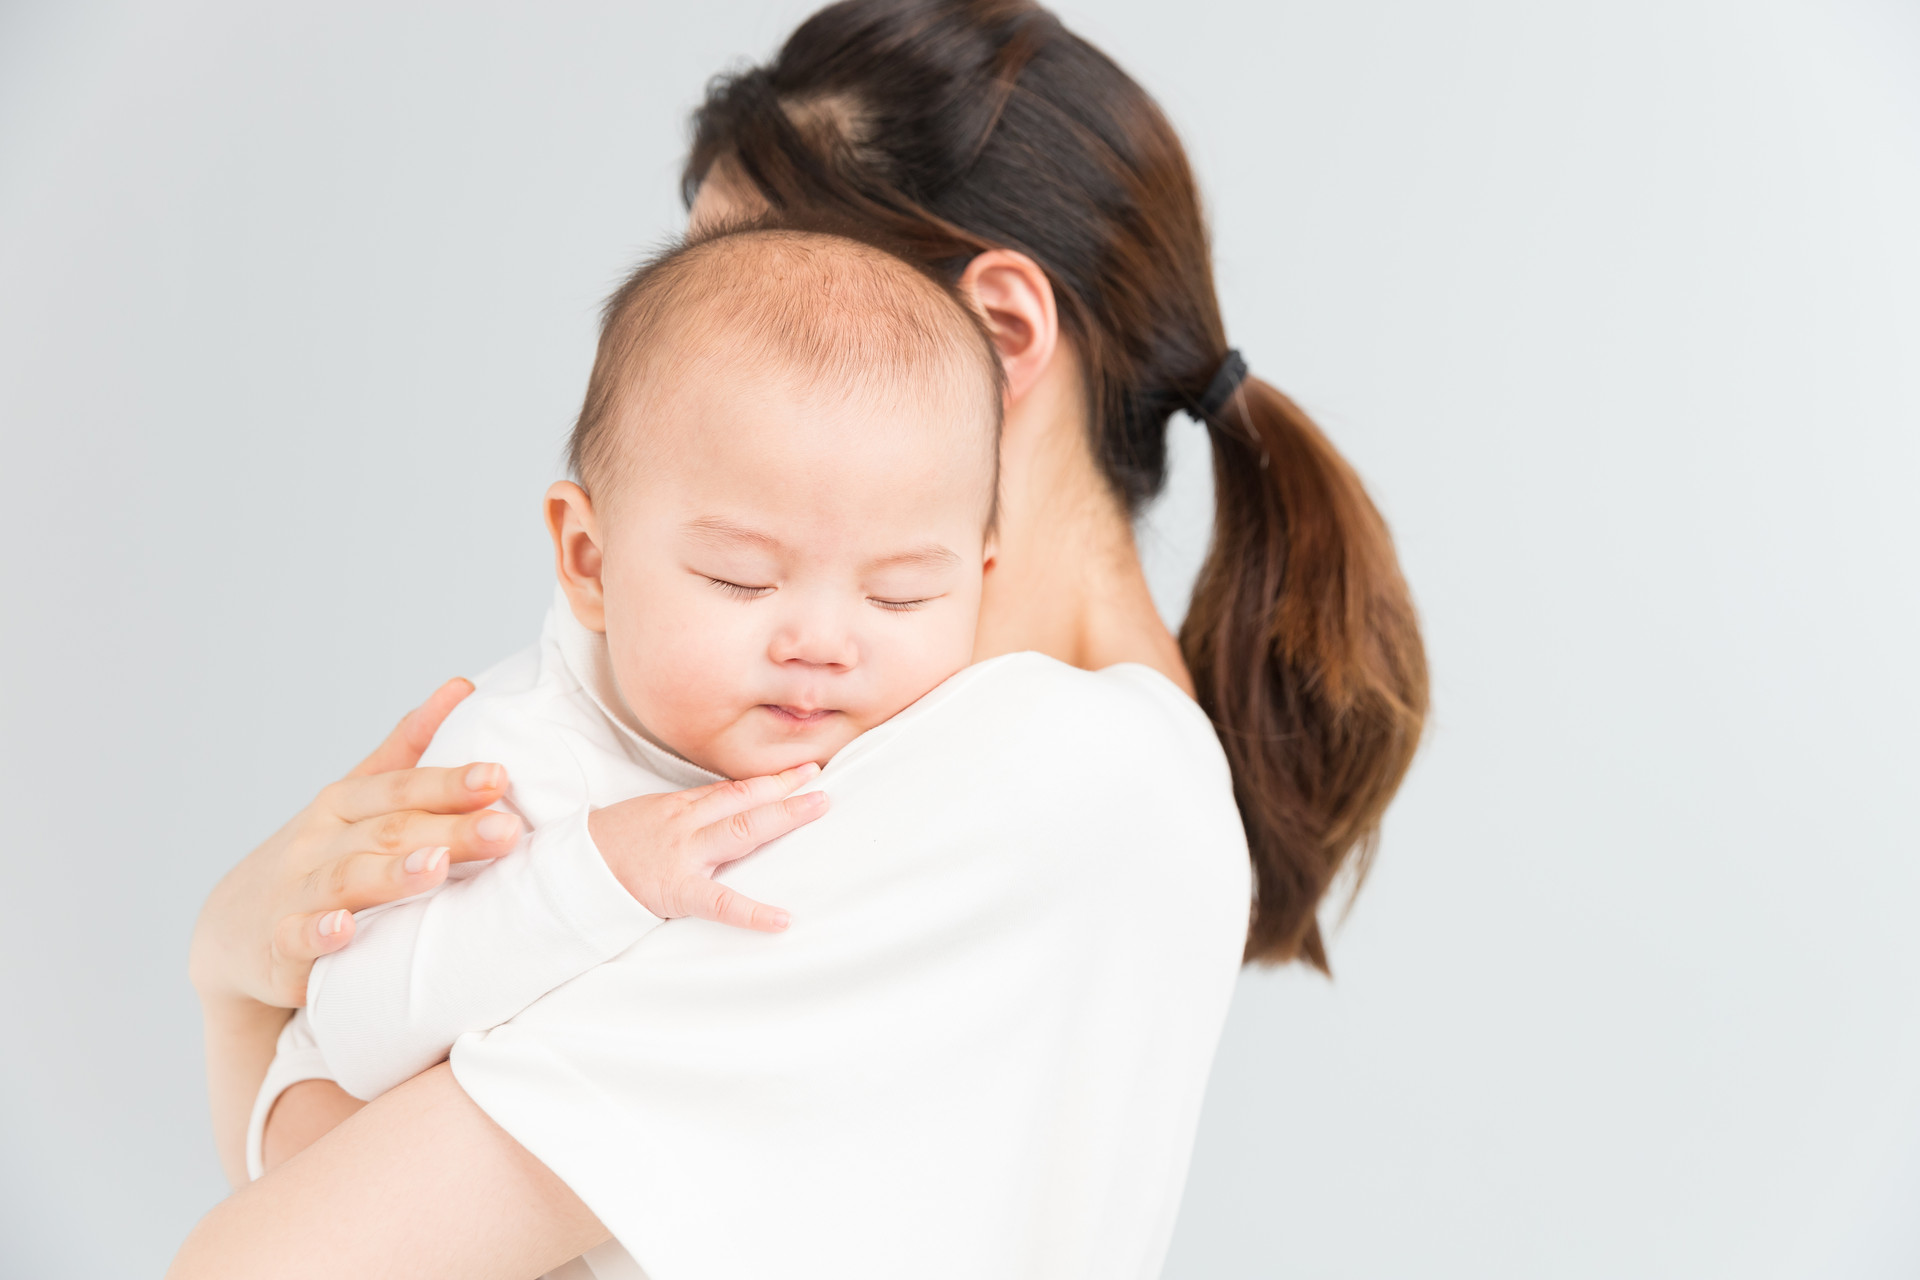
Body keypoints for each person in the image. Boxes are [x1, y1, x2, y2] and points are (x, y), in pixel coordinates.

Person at [175, 2, 1429, 1276]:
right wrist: (238, 964)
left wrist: (246, 982)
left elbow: (272, 1254)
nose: (699, 369)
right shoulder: (1058, 768)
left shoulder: (1040, 771)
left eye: (765, 304)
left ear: (999, 336)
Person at [248, 217, 1010, 1147]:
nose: (820, 643)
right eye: (740, 578)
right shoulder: (511, 764)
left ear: (981, 578)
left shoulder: (962, 745)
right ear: (588, 558)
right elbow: (352, 1038)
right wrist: (599, 874)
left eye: (900, 595)